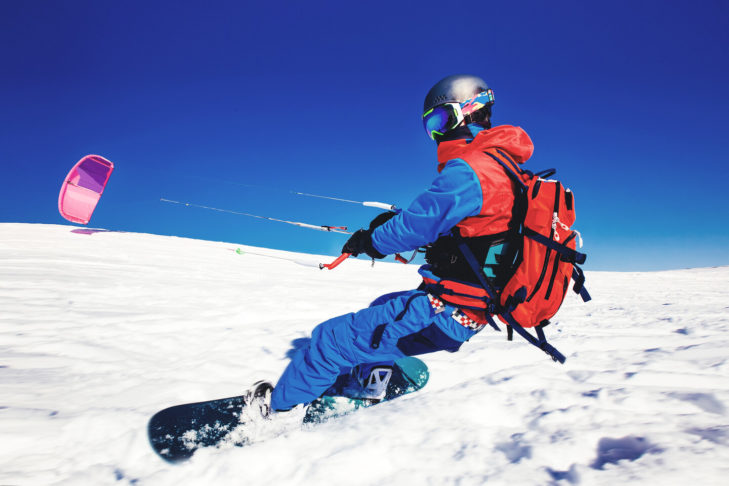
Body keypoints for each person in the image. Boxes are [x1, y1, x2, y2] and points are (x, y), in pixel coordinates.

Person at [249, 74, 537, 417]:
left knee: (329, 340)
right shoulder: (510, 171)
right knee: (383, 306)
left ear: (468, 111)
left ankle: (275, 414)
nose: (437, 134)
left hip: (445, 311)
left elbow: (418, 225)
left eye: (441, 120)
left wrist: (371, 240)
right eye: (431, 126)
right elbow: (471, 228)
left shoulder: (473, 169)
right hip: (469, 310)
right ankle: (367, 386)